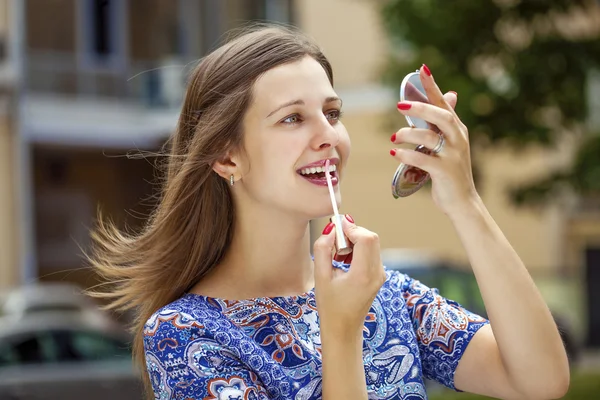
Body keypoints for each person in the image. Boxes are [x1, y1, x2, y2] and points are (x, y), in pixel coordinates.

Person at [88, 25, 570, 400]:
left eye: (333, 113)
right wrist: (339, 330)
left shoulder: (384, 295)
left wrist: (465, 203)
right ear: (227, 157)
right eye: (293, 118)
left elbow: (539, 381)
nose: (330, 137)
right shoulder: (185, 338)